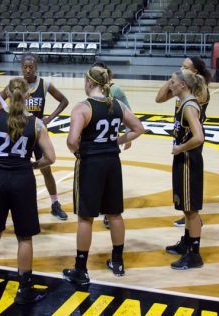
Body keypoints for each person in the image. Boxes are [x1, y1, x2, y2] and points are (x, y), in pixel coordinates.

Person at [0, 77, 55, 304]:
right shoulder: (35, 123)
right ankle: (24, 289)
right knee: (24, 237)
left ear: (7, 93)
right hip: (22, 180)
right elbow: (50, 157)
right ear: (27, 96)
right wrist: (34, 164)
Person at [62, 66, 144, 285]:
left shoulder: (83, 107)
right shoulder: (117, 104)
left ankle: (81, 269)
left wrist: (78, 151)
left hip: (91, 164)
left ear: (89, 83)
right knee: (115, 214)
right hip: (112, 163)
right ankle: (117, 261)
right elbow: (138, 129)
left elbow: (71, 141)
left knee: (86, 217)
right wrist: (114, 142)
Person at [0, 53, 69, 220]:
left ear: (36, 67)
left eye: (31, 67)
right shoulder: (15, 85)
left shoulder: (44, 84)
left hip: (36, 133)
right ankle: (7, 204)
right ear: (21, 67)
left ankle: (55, 203)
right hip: (16, 132)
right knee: (11, 169)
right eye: (25, 67)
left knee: (46, 170)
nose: (28, 70)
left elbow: (64, 101)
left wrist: (50, 118)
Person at [155, 57, 212, 228]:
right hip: (182, 135)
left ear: (194, 72)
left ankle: (193, 216)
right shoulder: (182, 87)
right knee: (183, 179)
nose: (181, 68)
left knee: (189, 178)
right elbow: (158, 98)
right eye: (181, 66)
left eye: (185, 67)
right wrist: (173, 79)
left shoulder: (197, 91)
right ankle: (189, 214)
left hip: (191, 137)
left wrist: (179, 81)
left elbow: (196, 124)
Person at [160, 69, 207, 270]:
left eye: (172, 82)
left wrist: (180, 147)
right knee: (187, 209)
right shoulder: (184, 102)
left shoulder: (189, 106)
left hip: (189, 160)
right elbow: (159, 97)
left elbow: (199, 137)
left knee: (192, 211)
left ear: (183, 85)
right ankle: (187, 243)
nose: (170, 85)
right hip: (184, 160)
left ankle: (194, 255)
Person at [92, 61, 133, 229]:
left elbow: (127, 111)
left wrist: (126, 136)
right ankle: (107, 211)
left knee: (103, 178)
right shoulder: (102, 89)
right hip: (105, 138)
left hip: (104, 140)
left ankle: (107, 212)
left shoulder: (114, 90)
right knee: (106, 178)